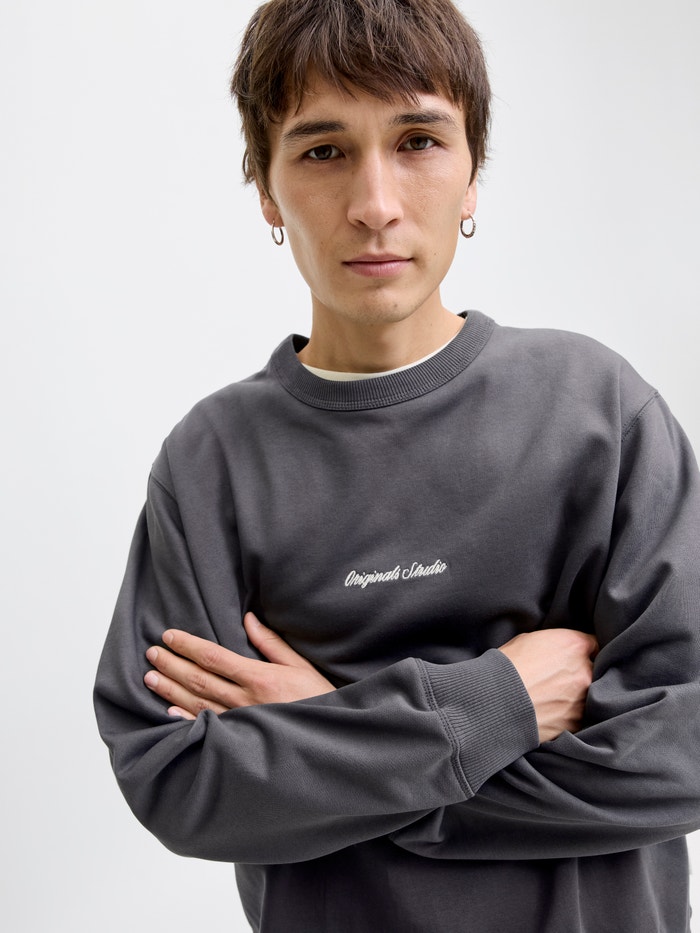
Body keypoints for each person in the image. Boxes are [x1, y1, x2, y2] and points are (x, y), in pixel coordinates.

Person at [94, 1, 700, 930]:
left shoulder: (598, 411)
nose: (374, 204)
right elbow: (176, 778)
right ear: (266, 188)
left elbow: (682, 749)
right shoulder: (213, 463)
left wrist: (332, 735)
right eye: (323, 151)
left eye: (418, 141)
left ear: (472, 173)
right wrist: (490, 706)